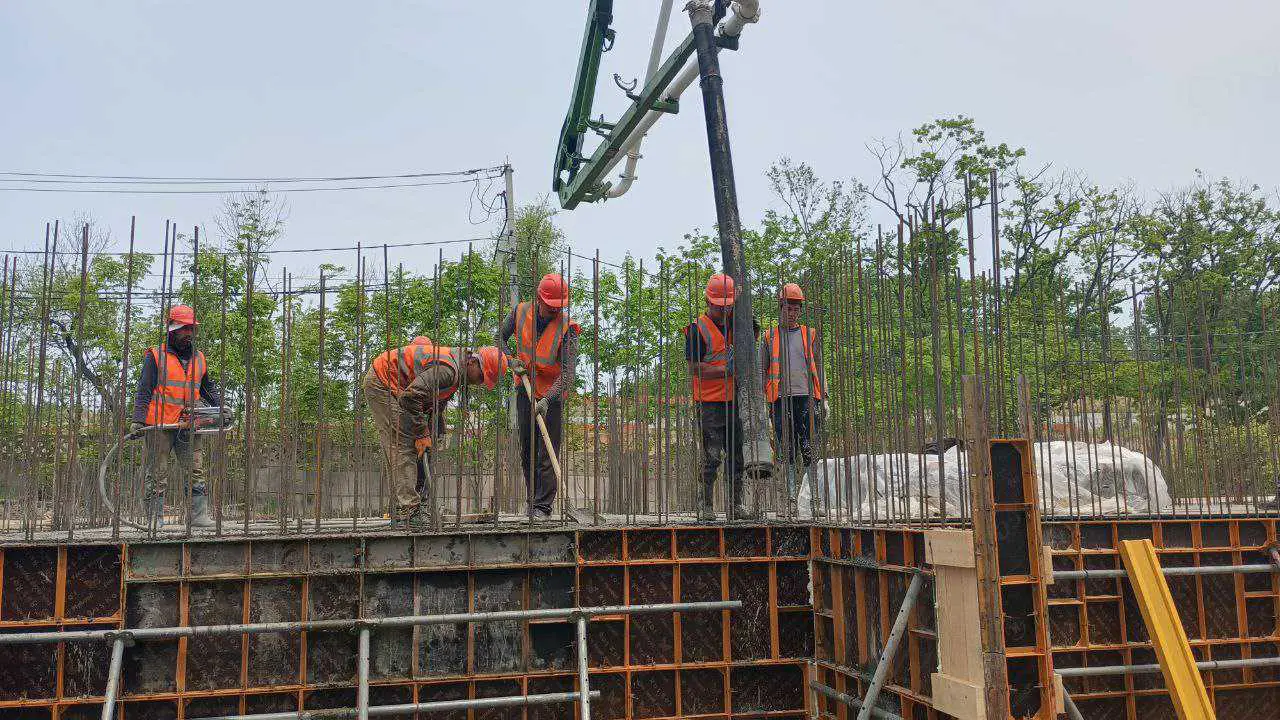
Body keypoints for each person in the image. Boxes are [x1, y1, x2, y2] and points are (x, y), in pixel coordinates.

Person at [364, 340, 507, 529]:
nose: (480, 383)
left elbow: (432, 403)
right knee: (402, 443)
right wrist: (422, 433)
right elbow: (411, 397)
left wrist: (429, 433)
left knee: (410, 444)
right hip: (383, 382)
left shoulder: (458, 371)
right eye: (482, 377)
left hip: (400, 387)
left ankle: (409, 508)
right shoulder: (449, 370)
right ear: (473, 362)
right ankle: (408, 511)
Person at [131, 305, 223, 528]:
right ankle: (155, 519)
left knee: (195, 468)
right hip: (160, 424)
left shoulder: (199, 358)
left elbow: (208, 389)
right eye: (184, 329)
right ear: (172, 329)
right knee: (157, 471)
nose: (188, 333)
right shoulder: (156, 355)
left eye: (191, 328)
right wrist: (138, 419)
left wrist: (221, 408)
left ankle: (198, 516)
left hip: (189, 424)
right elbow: (144, 389)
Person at [498, 273, 580, 520]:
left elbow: (568, 374)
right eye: (551, 306)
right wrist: (510, 360)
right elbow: (499, 338)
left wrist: (547, 399)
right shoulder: (520, 312)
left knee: (547, 451)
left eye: (559, 307)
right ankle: (533, 501)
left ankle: (543, 507)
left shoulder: (568, 329)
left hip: (551, 397)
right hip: (525, 389)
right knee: (527, 449)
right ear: (539, 299)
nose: (555, 311)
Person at [684, 274, 759, 521]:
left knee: (737, 455)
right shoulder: (698, 329)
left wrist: (744, 317)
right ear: (708, 300)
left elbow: (754, 333)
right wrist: (725, 371)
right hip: (709, 403)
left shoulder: (737, 323)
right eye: (719, 306)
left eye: (727, 306)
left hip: (734, 402)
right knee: (712, 455)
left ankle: (735, 506)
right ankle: (705, 505)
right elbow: (694, 368)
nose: (722, 310)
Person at [760, 283, 827, 513]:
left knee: (809, 450)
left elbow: (819, 365)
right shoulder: (769, 337)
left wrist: (824, 396)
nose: (792, 313)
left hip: (807, 398)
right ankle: (789, 501)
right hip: (780, 399)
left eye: (796, 309)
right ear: (780, 308)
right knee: (786, 450)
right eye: (788, 308)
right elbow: (762, 371)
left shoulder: (810, 334)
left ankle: (815, 501)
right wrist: (762, 401)